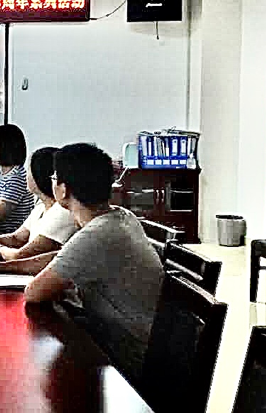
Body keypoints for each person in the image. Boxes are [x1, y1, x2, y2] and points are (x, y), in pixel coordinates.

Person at [23, 143, 164, 380]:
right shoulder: (121, 217)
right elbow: (63, 258)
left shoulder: (97, 234)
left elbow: (34, 293)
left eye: (54, 177)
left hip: (126, 357)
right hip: (139, 342)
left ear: (63, 190)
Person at [0, 147, 78, 274]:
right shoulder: (41, 206)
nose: (26, 175)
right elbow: (17, 238)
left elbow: (20, 256)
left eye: (29, 171)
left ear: (39, 175)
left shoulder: (62, 212)